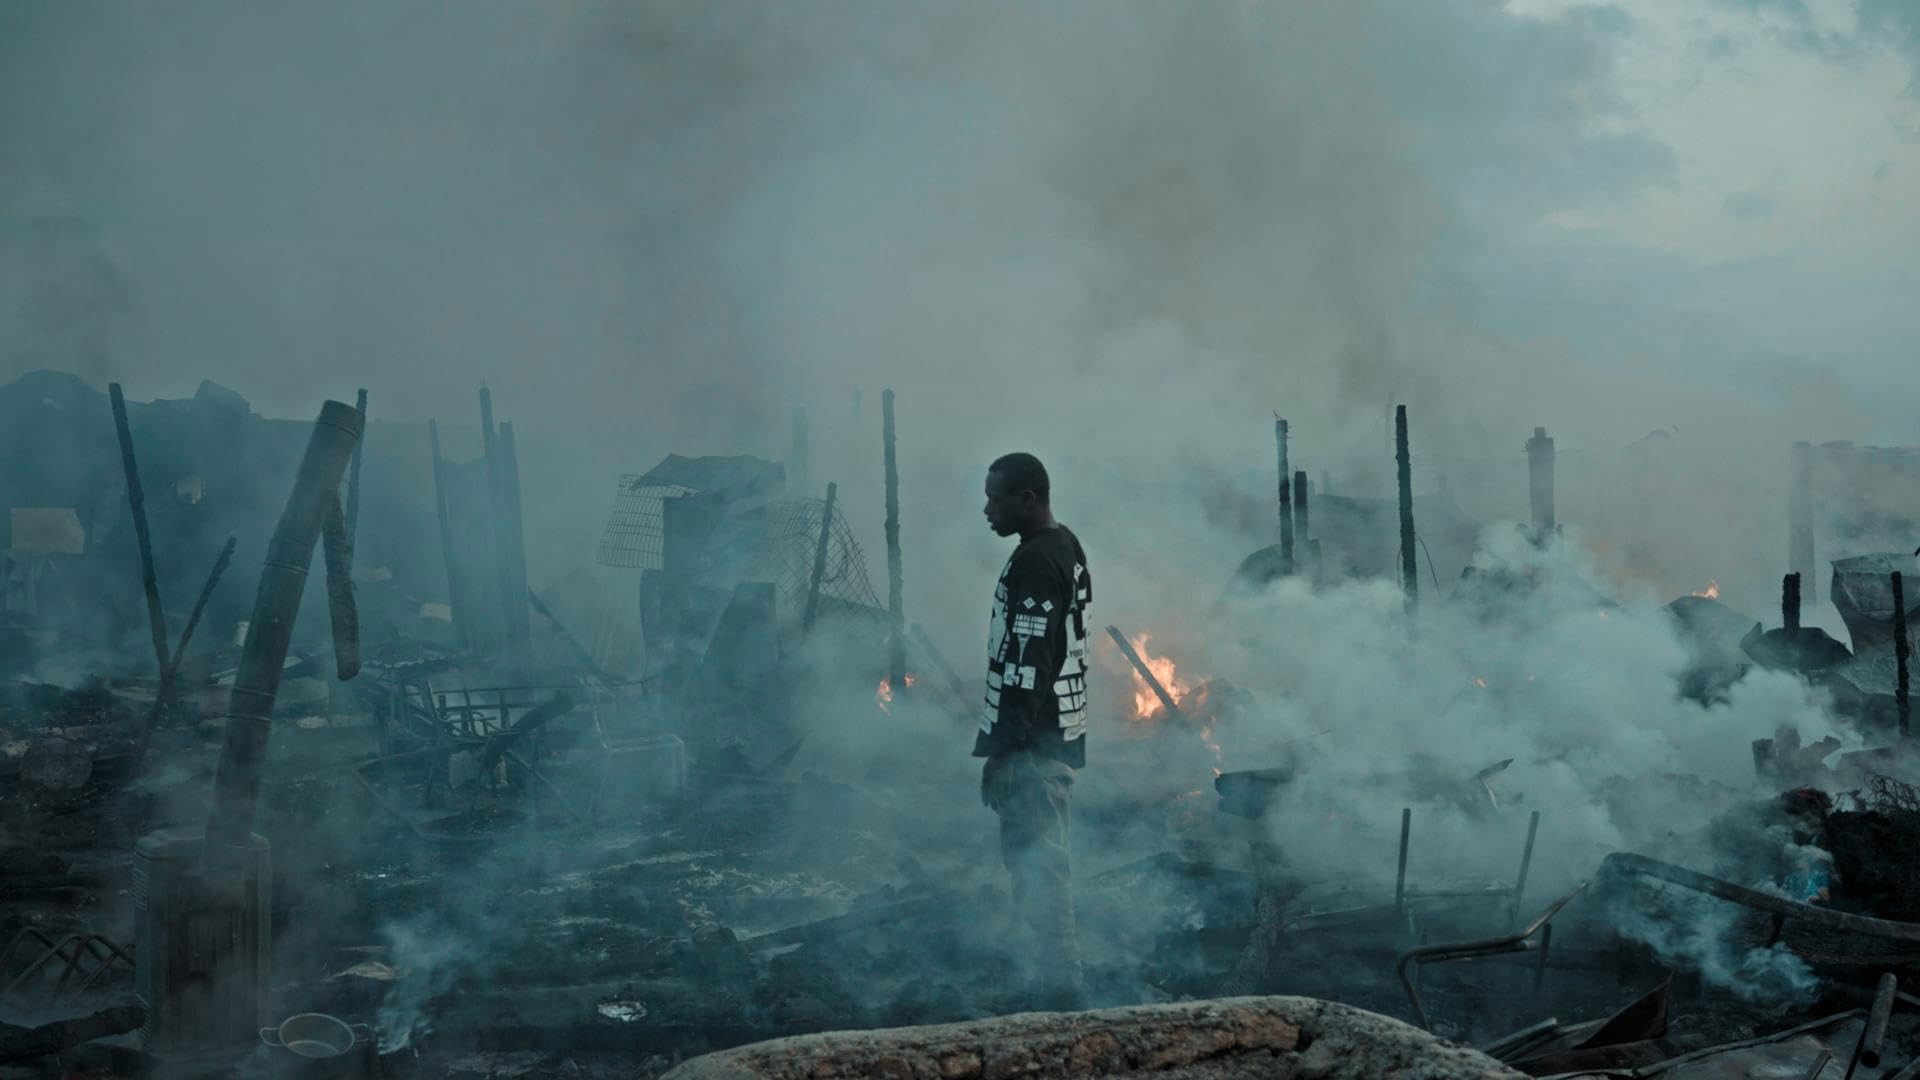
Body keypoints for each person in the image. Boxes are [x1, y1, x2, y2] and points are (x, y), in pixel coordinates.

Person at [975, 451, 1091, 1009]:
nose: (987, 510)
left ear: (1027, 499)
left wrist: (1004, 752)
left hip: (1033, 748)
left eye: (995, 499)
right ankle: (1043, 980)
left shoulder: (1037, 561)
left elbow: (1031, 662)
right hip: (1046, 741)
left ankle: (1060, 992)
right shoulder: (1063, 546)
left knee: (1041, 868)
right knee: (1034, 863)